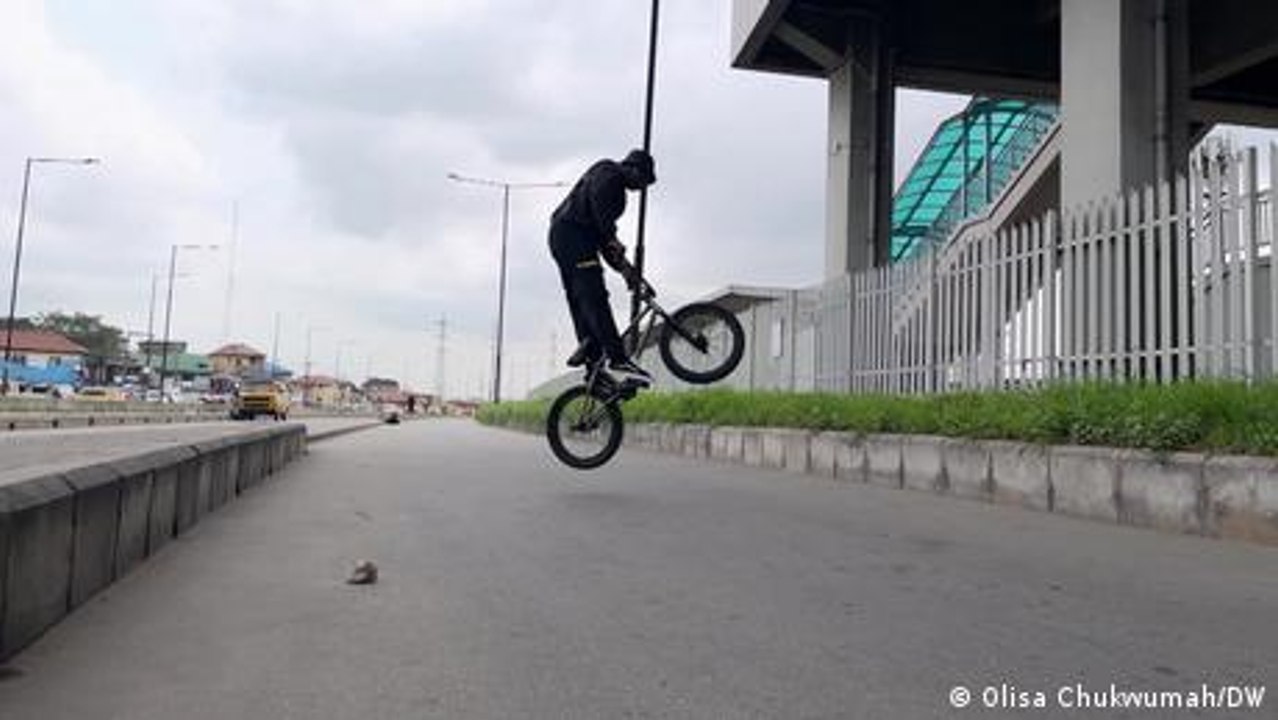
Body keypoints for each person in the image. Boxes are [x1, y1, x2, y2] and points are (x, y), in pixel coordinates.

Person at [548, 149, 656, 383]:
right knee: (594, 296)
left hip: (571, 239)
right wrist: (614, 239)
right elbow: (602, 221)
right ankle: (617, 357)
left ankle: (593, 363)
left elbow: (603, 240)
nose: (642, 188)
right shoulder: (609, 172)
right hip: (571, 236)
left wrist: (625, 270)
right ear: (633, 168)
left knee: (582, 299)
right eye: (643, 180)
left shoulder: (616, 196)